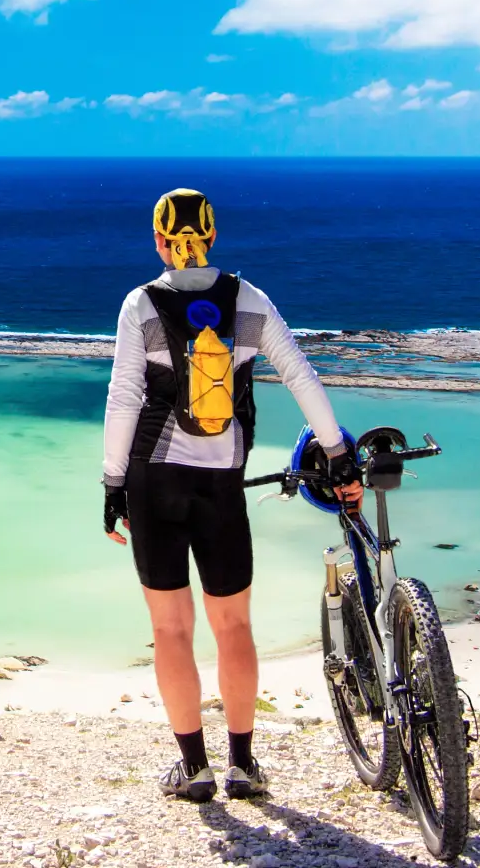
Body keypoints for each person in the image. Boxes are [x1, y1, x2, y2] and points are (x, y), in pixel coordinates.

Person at [101, 188, 360, 803]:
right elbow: (300, 374)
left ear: (160, 241)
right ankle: (243, 763)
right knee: (233, 623)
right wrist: (337, 451)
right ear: (212, 236)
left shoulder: (139, 304)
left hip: (153, 480)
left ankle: (193, 768)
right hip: (223, 482)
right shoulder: (249, 299)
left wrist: (113, 484)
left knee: (171, 629)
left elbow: (123, 398)